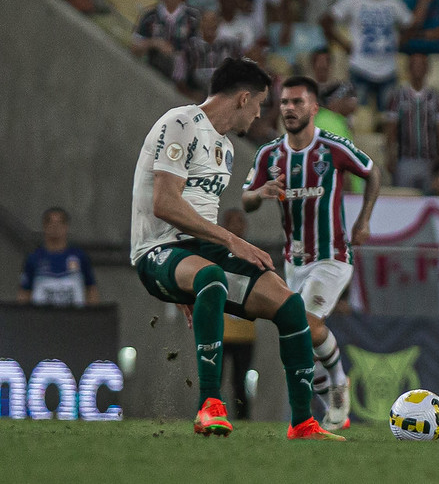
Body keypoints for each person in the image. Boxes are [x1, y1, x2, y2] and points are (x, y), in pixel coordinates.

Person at [130, 57, 343, 441]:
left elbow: (201, 222)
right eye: (261, 103)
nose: (262, 114)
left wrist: (191, 276)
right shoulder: (180, 122)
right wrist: (230, 241)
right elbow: (164, 203)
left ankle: (303, 423)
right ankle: (210, 405)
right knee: (211, 277)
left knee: (291, 306)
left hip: (194, 257)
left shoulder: (225, 147)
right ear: (243, 98)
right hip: (156, 250)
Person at [242, 75, 381, 430]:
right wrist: (262, 193)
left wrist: (363, 222)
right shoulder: (269, 155)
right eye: (285, 102)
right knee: (295, 336)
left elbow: (372, 172)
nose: (289, 108)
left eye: (297, 102)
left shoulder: (332, 148)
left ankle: (338, 384)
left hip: (332, 256)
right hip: (294, 261)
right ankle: (331, 405)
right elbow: (246, 200)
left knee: (305, 323)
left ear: (314, 108)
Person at [321, 0, 413, 111]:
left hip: (388, 70)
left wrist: (399, 42)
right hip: (360, 69)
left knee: (390, 116)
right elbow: (325, 21)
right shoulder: (354, 0)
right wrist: (343, 43)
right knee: (358, 116)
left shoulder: (394, 3)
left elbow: (411, 24)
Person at [384, 53, 439, 191]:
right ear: (408, 69)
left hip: (430, 159)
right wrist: (390, 154)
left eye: (422, 65)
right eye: (414, 65)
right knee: (404, 199)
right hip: (405, 159)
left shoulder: (437, 98)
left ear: (427, 69)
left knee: (428, 197)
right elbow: (391, 129)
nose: (418, 69)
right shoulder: (397, 96)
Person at [18, 207, 99, 306]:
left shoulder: (79, 256)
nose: (55, 227)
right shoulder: (34, 258)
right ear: (44, 226)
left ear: (66, 226)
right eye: (51, 222)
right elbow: (24, 293)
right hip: (42, 318)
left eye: (60, 222)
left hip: (74, 317)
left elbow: (91, 289)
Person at [219, 208, 257, 420]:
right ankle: (212, 414)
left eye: (240, 222)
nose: (237, 226)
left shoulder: (252, 255)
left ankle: (244, 419)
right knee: (216, 379)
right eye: (232, 222)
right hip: (221, 331)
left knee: (240, 382)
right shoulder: (218, 253)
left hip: (244, 333)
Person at [130, 0, 200, 81]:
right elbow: (134, 48)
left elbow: (200, 50)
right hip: (151, 72)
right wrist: (154, 43)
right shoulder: (150, 15)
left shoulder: (193, 18)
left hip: (183, 76)